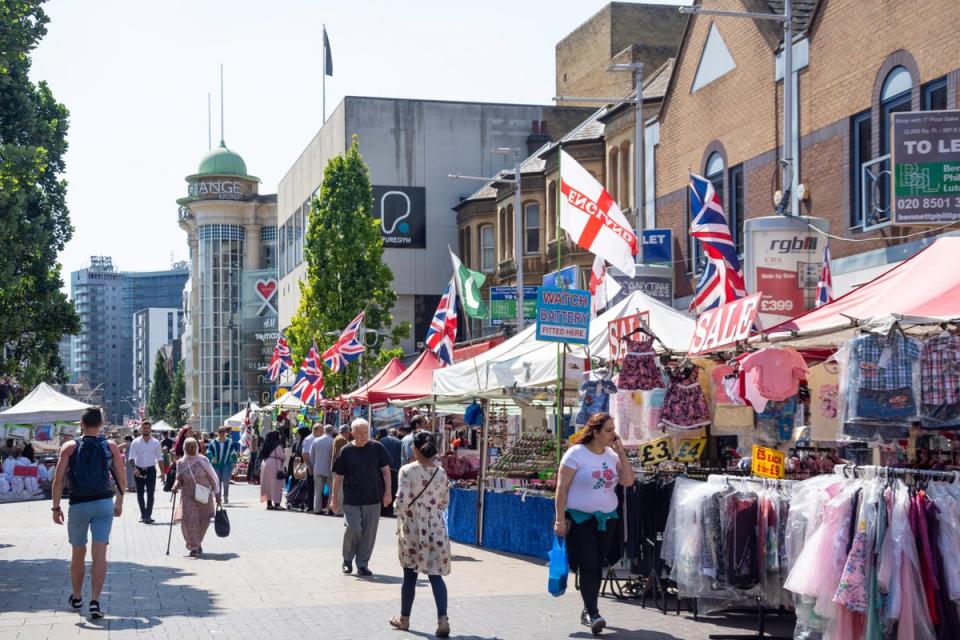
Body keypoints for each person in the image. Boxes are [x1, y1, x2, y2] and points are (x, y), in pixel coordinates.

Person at [553, 412, 635, 635]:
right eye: (608, 430)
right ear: (595, 432)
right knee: (589, 564)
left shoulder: (612, 454)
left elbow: (628, 481)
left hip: (607, 519)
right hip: (580, 519)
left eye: (613, 429)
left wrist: (622, 454)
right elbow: (561, 489)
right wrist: (560, 519)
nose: (613, 434)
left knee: (598, 564)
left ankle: (588, 609)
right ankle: (593, 612)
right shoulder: (575, 454)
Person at [50, 407, 126, 619]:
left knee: (78, 552)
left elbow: (58, 480)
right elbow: (122, 479)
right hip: (103, 503)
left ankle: (76, 596)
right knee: (100, 553)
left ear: (81, 424)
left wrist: (56, 507)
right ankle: (95, 601)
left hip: (78, 505)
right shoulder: (110, 446)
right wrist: (119, 502)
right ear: (101, 424)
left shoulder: (69, 447)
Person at [389, 431, 451, 637]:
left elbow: (401, 502)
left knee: (409, 574)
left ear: (414, 449)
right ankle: (443, 619)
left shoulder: (407, 471)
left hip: (413, 527)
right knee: (436, 576)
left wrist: (402, 512)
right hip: (436, 527)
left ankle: (404, 618)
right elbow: (444, 503)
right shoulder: (441, 473)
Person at [330, 418, 392, 576]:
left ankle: (362, 564)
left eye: (366, 432)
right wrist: (334, 498)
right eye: (359, 433)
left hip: (373, 497)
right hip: (351, 498)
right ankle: (347, 558)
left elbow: (386, 471)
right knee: (354, 528)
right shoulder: (346, 451)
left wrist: (388, 492)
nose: (364, 436)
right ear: (352, 434)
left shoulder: (377, 447)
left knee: (369, 533)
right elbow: (338, 476)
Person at [172, 437, 220, 557]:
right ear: (184, 448)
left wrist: (217, 493)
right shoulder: (181, 463)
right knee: (189, 520)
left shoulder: (203, 460)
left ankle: (197, 542)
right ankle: (194, 546)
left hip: (203, 495)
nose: (191, 449)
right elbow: (178, 479)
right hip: (188, 494)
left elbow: (211, 477)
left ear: (197, 447)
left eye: (193, 446)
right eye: (189, 447)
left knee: (204, 520)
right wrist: (175, 486)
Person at [127, 421, 163, 524]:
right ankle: (143, 515)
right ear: (141, 429)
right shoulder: (136, 442)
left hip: (151, 470)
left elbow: (159, 458)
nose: (146, 429)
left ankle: (148, 515)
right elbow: (131, 458)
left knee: (151, 494)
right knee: (140, 493)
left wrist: (163, 473)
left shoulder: (156, 442)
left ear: (150, 429)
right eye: (144, 428)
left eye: (148, 428)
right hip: (139, 470)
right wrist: (135, 468)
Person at [207, 427, 238, 504]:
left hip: (226, 464)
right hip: (216, 465)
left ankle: (226, 496)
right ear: (218, 432)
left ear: (226, 432)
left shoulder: (229, 441)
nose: (222, 433)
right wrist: (212, 457)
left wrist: (233, 461)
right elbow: (209, 451)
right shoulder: (214, 442)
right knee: (217, 482)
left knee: (226, 481)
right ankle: (219, 497)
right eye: (220, 431)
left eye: (223, 431)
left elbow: (233, 452)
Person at [310, 425, 335, 514]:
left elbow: (311, 455)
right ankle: (330, 509)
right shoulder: (333, 441)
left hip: (318, 468)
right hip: (329, 469)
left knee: (318, 490)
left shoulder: (316, 441)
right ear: (332, 432)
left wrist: (314, 465)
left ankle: (317, 509)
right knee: (332, 490)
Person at [259, 431, 285, 510]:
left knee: (266, 484)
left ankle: (269, 503)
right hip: (274, 464)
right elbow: (282, 456)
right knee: (276, 484)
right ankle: (277, 504)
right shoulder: (276, 445)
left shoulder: (265, 445)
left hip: (265, 464)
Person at [380, 427, 403, 515]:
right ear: (396, 434)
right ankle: (390, 510)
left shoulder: (382, 440)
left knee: (383, 488)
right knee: (393, 489)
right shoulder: (399, 442)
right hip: (395, 469)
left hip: (383, 469)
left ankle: (382, 509)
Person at [301, 424, 321, 508]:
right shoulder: (309, 439)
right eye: (321, 431)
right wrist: (309, 467)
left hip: (317, 466)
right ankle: (310, 505)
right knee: (311, 487)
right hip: (311, 466)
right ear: (315, 430)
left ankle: (314, 505)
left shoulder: (318, 439)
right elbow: (305, 454)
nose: (322, 432)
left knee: (316, 487)